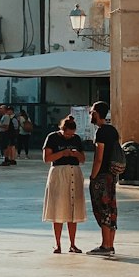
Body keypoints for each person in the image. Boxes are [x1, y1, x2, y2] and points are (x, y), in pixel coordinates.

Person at [42, 115, 86, 252]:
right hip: (59, 173)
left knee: (73, 209)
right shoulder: (52, 137)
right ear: (63, 130)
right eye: (67, 134)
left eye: (71, 135)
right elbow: (47, 158)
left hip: (74, 172)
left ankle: (73, 244)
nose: (69, 137)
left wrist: (75, 154)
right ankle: (58, 243)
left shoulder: (77, 139)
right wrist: (62, 153)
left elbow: (83, 159)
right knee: (58, 208)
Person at [87, 100, 119, 256]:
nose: (90, 114)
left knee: (102, 208)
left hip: (102, 176)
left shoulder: (100, 132)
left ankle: (105, 245)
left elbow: (99, 158)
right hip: (112, 175)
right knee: (111, 208)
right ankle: (110, 244)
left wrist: (93, 176)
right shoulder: (112, 130)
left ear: (97, 113)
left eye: (91, 111)